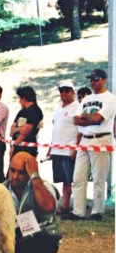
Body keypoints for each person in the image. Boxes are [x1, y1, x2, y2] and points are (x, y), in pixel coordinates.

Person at [63, 69, 116, 221]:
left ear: (104, 80)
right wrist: (89, 117)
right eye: (91, 79)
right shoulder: (86, 99)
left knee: (99, 176)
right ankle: (78, 210)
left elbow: (98, 118)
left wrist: (88, 118)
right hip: (84, 139)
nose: (93, 82)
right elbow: (76, 119)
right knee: (78, 176)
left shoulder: (110, 99)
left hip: (101, 139)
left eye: (96, 79)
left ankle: (97, 210)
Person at [4, 152, 62, 253]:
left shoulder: (43, 187)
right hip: (13, 236)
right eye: (12, 171)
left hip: (41, 237)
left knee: (46, 241)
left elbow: (48, 207)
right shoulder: (2, 189)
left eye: (21, 172)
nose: (15, 176)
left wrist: (35, 177)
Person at [46, 81, 79, 214]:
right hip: (57, 149)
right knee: (61, 179)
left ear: (73, 92)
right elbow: (56, 129)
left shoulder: (77, 107)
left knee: (68, 180)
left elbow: (80, 130)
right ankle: (63, 204)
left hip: (68, 149)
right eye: (62, 90)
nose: (64, 93)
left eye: (67, 90)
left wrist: (76, 149)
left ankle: (65, 206)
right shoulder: (59, 108)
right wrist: (50, 147)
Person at [9, 86, 44, 158]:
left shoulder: (35, 111)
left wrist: (14, 146)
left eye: (20, 98)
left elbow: (26, 131)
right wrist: (19, 129)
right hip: (17, 145)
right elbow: (12, 130)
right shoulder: (21, 111)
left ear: (24, 98)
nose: (19, 101)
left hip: (27, 148)